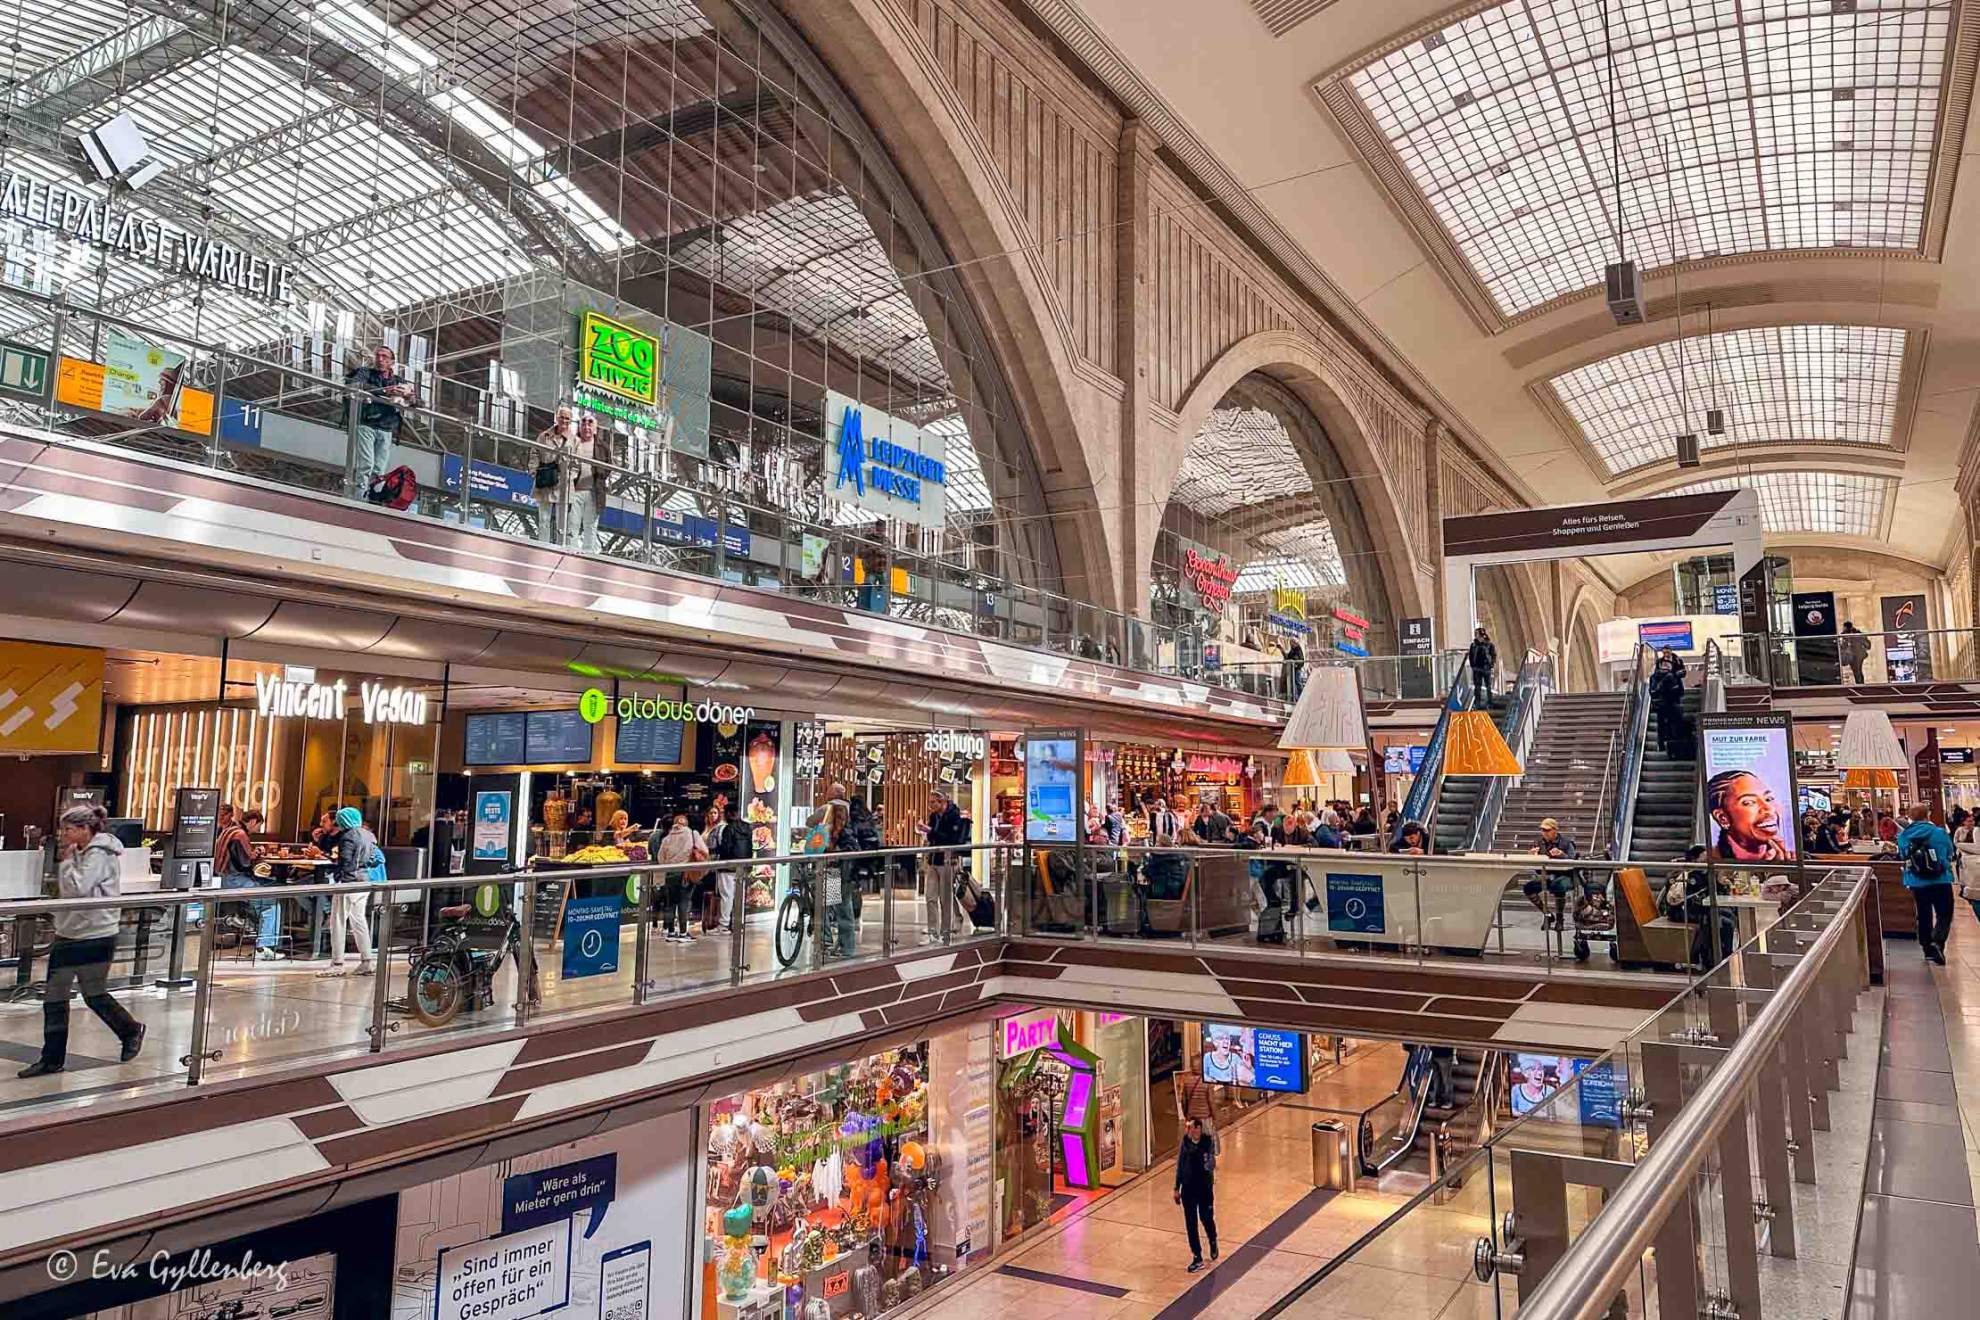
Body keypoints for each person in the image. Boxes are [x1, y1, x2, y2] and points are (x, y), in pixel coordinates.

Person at [17, 805, 145, 1078]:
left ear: (85, 829)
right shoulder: (80, 852)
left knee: (94, 996)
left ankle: (130, 1029)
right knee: (54, 997)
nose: (63, 834)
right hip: (70, 932)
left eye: (68, 829)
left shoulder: (100, 854)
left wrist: (65, 864)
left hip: (95, 934)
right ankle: (52, 1059)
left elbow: (79, 889)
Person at [346, 344, 415, 499]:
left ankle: (372, 498)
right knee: (366, 464)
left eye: (384, 357)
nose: (380, 359)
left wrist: (409, 395)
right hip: (366, 424)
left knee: (379, 469)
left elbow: (419, 402)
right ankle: (359, 499)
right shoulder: (365, 372)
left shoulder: (398, 381)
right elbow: (354, 384)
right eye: (378, 355)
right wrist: (386, 391)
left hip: (386, 428)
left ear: (392, 362)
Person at [217, 803, 280, 961]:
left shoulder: (229, 830)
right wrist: (256, 856)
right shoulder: (240, 835)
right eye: (257, 827)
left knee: (264, 894)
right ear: (253, 822)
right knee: (272, 903)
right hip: (234, 880)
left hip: (222, 879)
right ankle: (264, 947)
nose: (256, 830)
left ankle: (245, 921)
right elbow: (244, 863)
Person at [1896, 805, 1957, 965]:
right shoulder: (1939, 832)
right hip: (1940, 879)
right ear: (1927, 815)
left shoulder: (1903, 836)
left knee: (1924, 914)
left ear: (1910, 817)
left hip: (1917, 881)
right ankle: (1938, 941)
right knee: (1945, 912)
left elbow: (1902, 855)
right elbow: (1950, 852)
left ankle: (1927, 948)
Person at [1663, 845, 1737, 969]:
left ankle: (1725, 955)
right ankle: (1712, 959)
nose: (1708, 860)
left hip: (1698, 909)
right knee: (1719, 919)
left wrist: (1721, 883)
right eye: (1704, 859)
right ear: (1694, 860)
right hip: (1681, 912)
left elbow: (1717, 894)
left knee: (1728, 914)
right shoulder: (1685, 875)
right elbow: (1676, 900)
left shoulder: (1704, 873)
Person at [327, 806, 379, 976]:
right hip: (364, 882)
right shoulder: (369, 835)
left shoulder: (347, 837)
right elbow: (373, 859)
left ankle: (337, 963)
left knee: (338, 921)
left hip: (348, 883)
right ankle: (367, 961)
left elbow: (345, 862)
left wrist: (337, 875)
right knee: (359, 921)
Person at [1706, 770, 1791, 862]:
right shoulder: (1708, 864)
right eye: (1749, 802)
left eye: (1768, 799)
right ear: (1723, 818)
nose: (1769, 809)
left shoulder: (1794, 856)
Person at [1174, 1117, 1219, 1273]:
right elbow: (1180, 1165)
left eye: (1192, 1128)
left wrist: (1209, 1161)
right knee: (1191, 1224)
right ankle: (1197, 1256)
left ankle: (1212, 1239)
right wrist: (1176, 1187)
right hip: (1188, 1189)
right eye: (1188, 1128)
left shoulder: (1207, 1143)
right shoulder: (1185, 1144)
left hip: (1204, 1188)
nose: (1190, 1131)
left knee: (1206, 1218)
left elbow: (1212, 1164)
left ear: (1199, 1129)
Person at [925, 788, 969, 944]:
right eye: (929, 802)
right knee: (930, 897)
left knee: (945, 899)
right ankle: (932, 932)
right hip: (933, 860)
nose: (930, 805)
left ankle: (945, 931)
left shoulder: (954, 817)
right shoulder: (933, 816)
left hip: (947, 861)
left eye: (933, 802)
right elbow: (932, 837)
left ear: (942, 802)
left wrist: (930, 831)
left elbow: (952, 839)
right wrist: (928, 831)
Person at [655, 815, 705, 944]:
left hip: (670, 874)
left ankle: (671, 932)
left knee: (670, 903)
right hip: (686, 873)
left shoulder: (667, 838)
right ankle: (683, 932)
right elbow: (703, 851)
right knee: (684, 902)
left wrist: (669, 866)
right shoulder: (692, 834)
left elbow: (660, 858)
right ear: (686, 823)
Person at [1524, 817, 1581, 926]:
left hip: (1565, 876)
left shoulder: (1566, 843)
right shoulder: (1538, 843)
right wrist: (1532, 856)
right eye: (1542, 830)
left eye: (1547, 830)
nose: (1544, 833)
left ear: (1555, 830)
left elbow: (1573, 861)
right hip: (1546, 875)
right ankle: (1547, 914)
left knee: (1558, 886)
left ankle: (1560, 918)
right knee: (1528, 887)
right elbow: (1536, 865)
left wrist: (1562, 855)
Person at [533, 405, 577, 545]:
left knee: (562, 522)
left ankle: (560, 548)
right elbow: (535, 452)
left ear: (571, 421)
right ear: (556, 417)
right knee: (544, 519)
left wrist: (569, 476)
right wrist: (533, 469)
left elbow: (577, 464)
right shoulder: (544, 436)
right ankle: (542, 545)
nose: (564, 420)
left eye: (567, 418)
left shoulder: (575, 441)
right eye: (562, 417)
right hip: (545, 480)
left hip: (563, 485)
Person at [710, 801, 752, 930]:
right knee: (739, 896)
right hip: (743, 866)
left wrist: (715, 853)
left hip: (728, 866)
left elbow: (725, 848)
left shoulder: (729, 828)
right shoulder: (747, 827)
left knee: (726, 896)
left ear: (728, 814)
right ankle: (739, 923)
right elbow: (750, 847)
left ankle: (723, 924)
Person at [1649, 653, 1686, 755]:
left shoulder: (1654, 677)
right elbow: (1680, 691)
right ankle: (1672, 748)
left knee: (1661, 725)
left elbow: (1651, 691)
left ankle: (1661, 745)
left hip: (1660, 705)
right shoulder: (1674, 676)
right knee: (1672, 725)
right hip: (1672, 704)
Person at [1466, 626, 1497, 708]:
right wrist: (1473, 665)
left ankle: (1490, 702)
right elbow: (1471, 656)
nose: (1476, 636)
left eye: (1477, 634)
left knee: (1488, 686)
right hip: (1477, 669)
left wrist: (1491, 665)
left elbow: (1493, 655)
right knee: (1477, 687)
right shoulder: (1473, 645)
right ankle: (1477, 703)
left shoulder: (1489, 645)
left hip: (1486, 669)